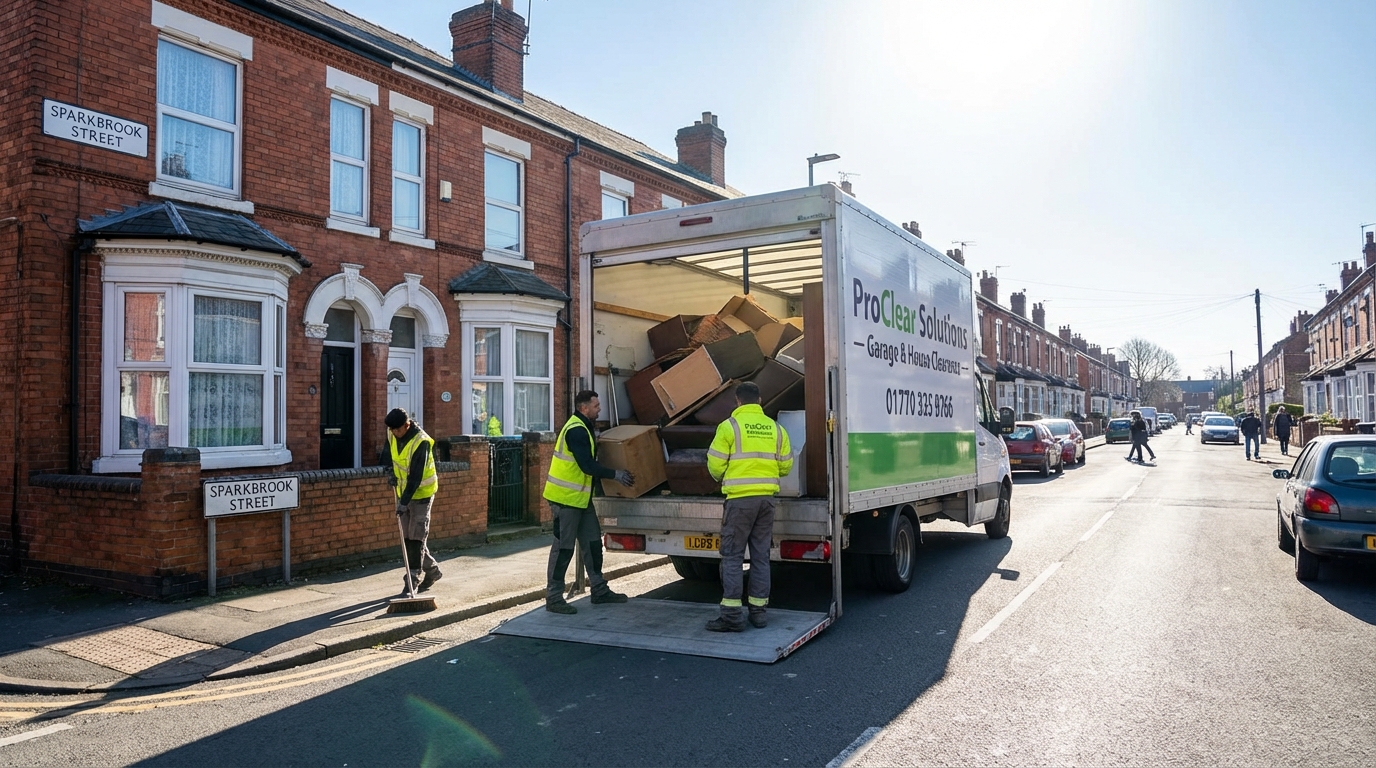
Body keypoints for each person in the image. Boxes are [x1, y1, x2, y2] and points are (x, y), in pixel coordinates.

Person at [705, 381, 793, 632]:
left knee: (732, 556)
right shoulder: (776, 429)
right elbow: (786, 466)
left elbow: (714, 464)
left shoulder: (729, 427)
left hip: (740, 501)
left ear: (737, 401)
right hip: (767, 500)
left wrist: (724, 477)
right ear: (760, 400)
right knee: (761, 556)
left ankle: (732, 616)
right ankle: (759, 613)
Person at [542, 390, 635, 614]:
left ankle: (599, 590)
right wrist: (616, 475)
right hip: (565, 501)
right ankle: (554, 597)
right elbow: (587, 466)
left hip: (580, 500)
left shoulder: (583, 427)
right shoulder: (576, 430)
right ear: (584, 408)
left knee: (593, 543)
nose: (599, 409)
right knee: (563, 549)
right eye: (596, 406)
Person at [386, 408, 442, 593]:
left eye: (398, 430)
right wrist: (389, 471)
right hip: (403, 493)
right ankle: (433, 571)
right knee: (407, 538)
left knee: (416, 538)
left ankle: (412, 580)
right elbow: (388, 454)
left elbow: (416, 477)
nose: (395, 433)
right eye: (392, 429)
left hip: (422, 495)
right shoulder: (392, 432)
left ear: (407, 425)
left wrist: (403, 502)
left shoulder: (421, 442)